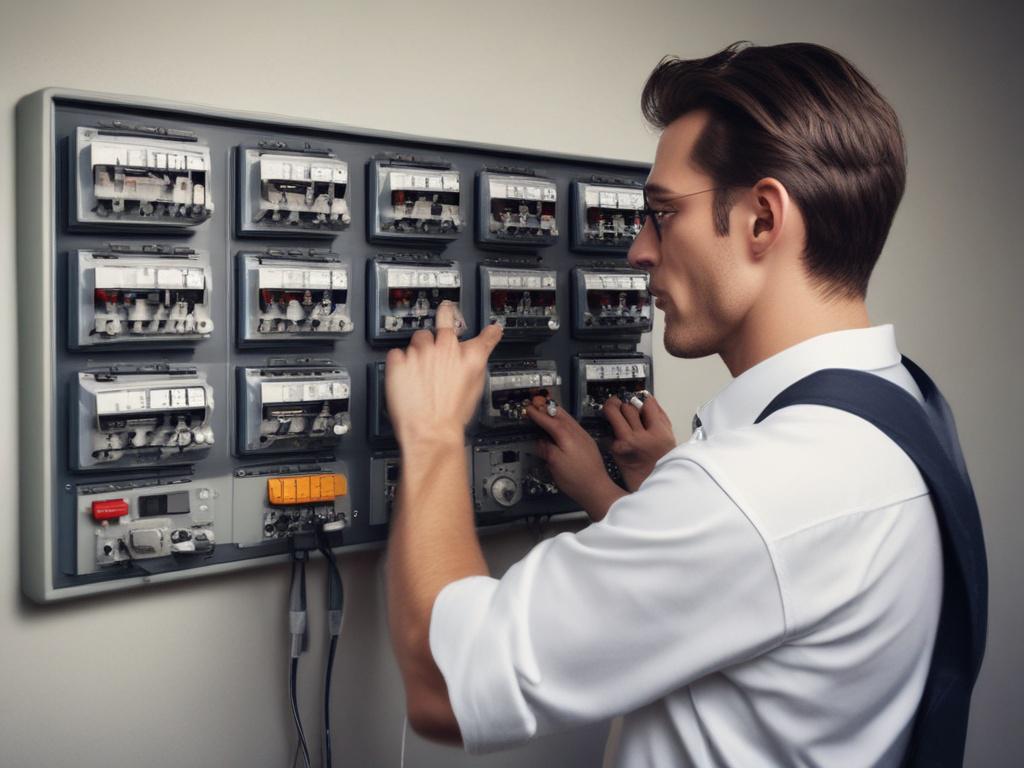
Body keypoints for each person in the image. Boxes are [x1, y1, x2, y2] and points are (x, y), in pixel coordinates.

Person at [384, 42, 965, 766]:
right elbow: (761, 587)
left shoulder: (753, 495)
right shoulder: (902, 408)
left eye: (661, 214)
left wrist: (434, 433)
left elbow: (444, 688)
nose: (637, 252)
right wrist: (632, 499)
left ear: (761, 219)